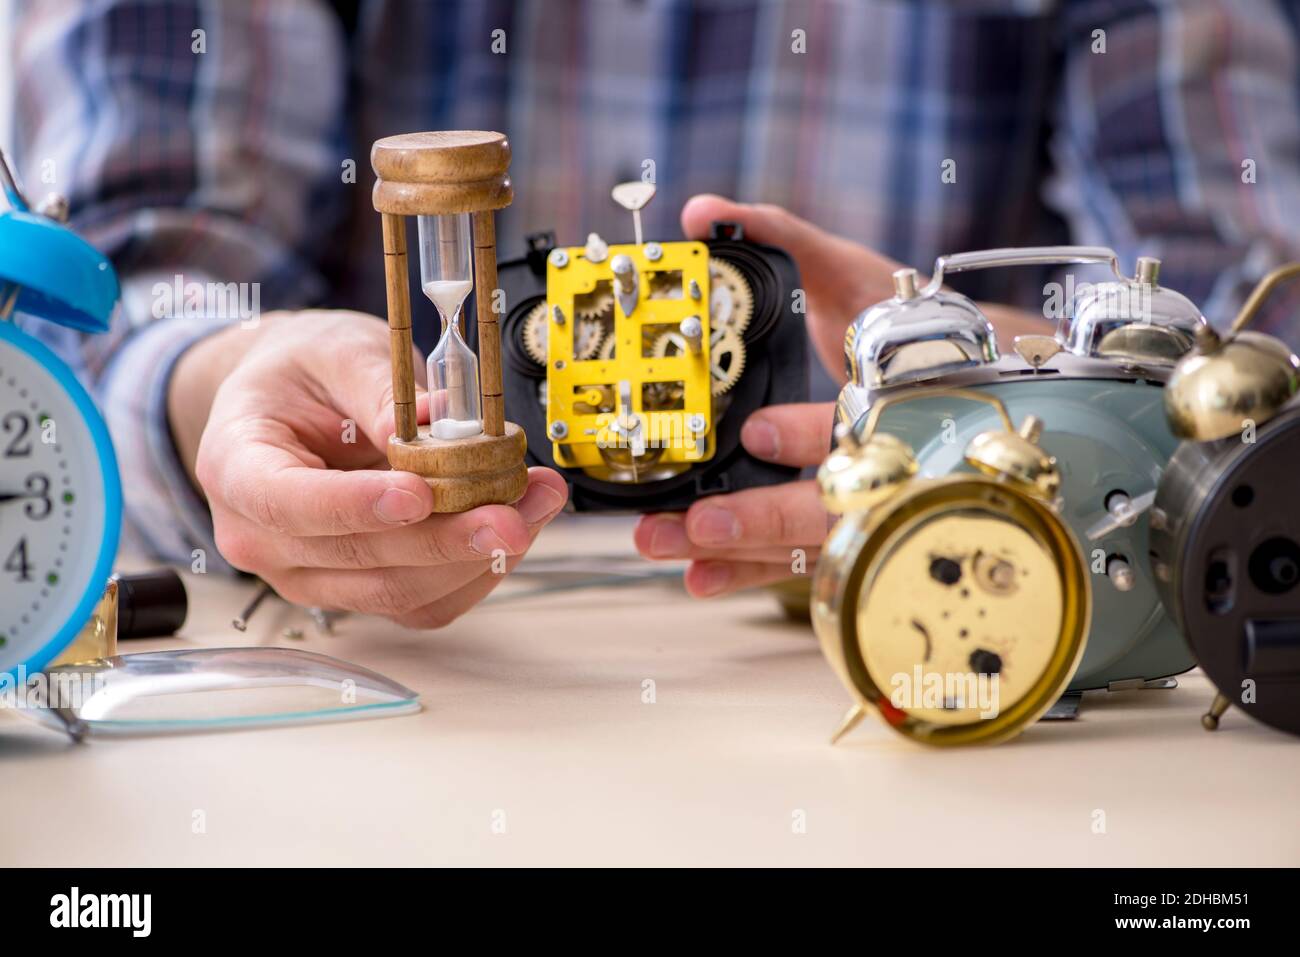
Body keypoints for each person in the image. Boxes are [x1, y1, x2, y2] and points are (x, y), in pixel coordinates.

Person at [11, 0, 1299, 624]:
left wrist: (1037, 418)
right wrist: (222, 387)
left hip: (922, 604)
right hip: (378, 659)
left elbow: (1250, 318)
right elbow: (123, 275)